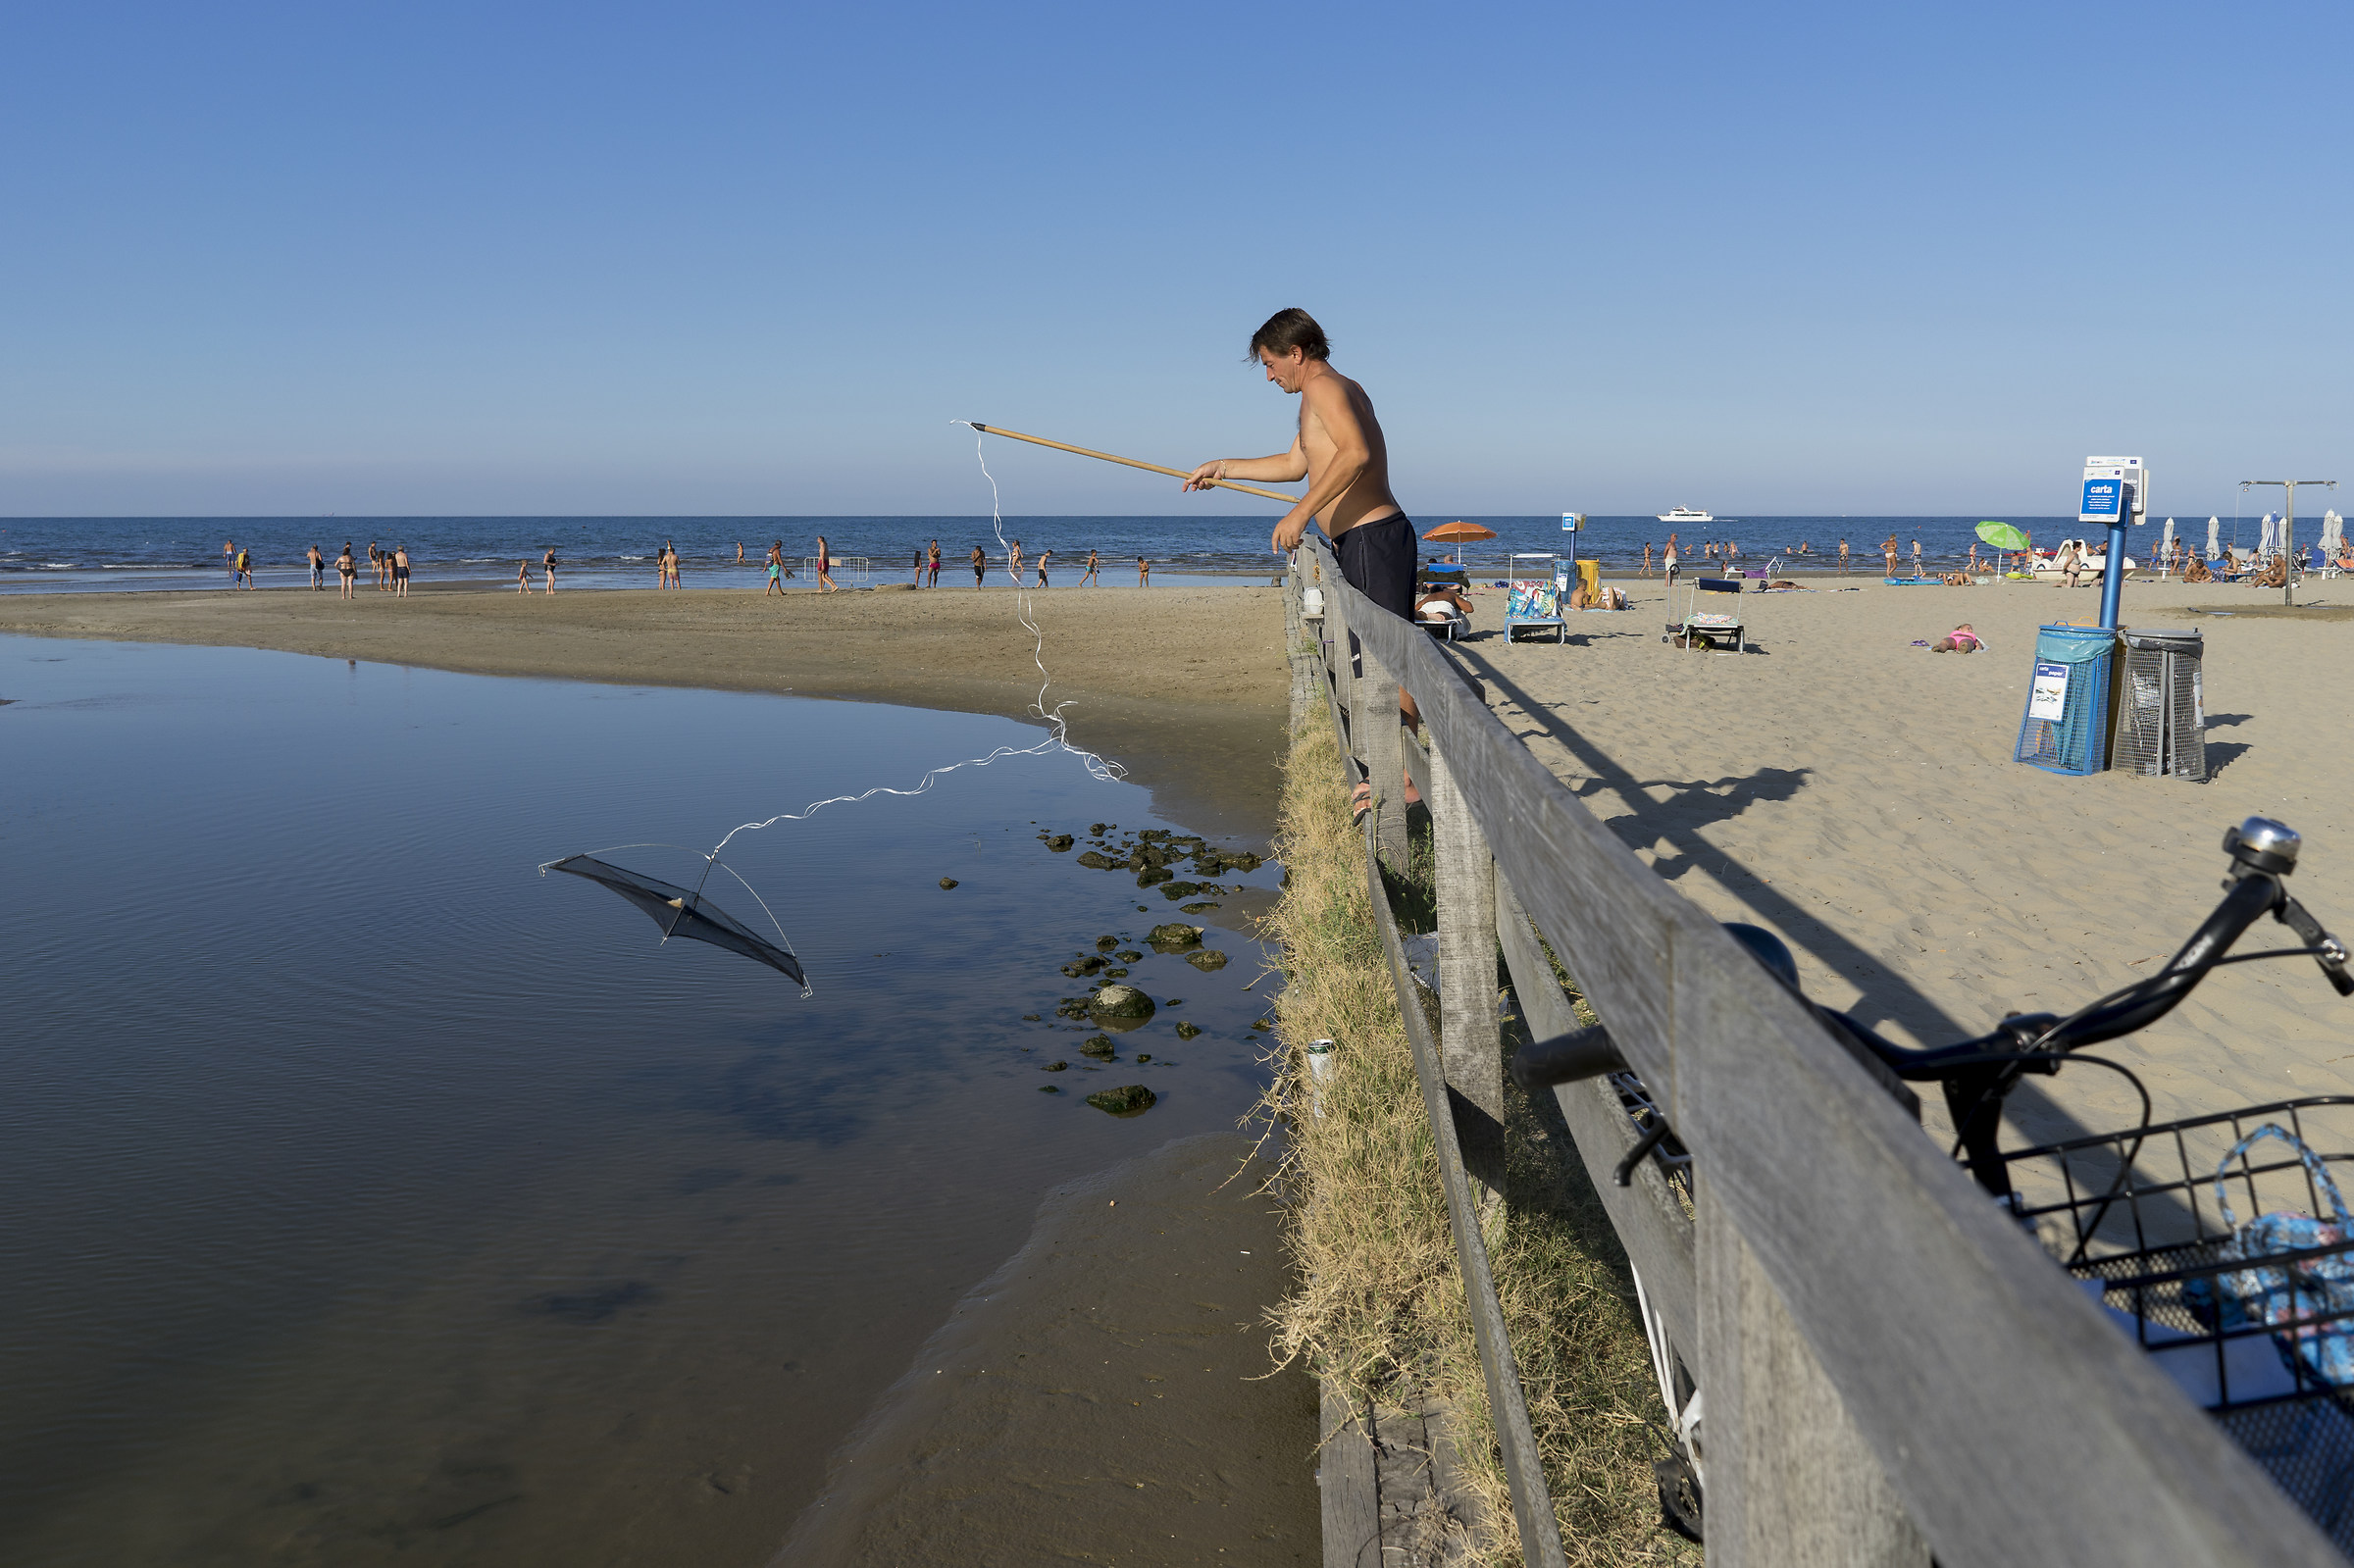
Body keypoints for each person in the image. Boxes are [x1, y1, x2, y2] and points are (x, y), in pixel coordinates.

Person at [1183, 308, 1420, 819]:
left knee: (1388, 659)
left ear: (1296, 352)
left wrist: (1301, 513)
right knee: (1370, 660)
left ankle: (1401, 779)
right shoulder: (1329, 390)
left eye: (1270, 364)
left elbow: (1355, 454)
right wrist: (1221, 468)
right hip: (1362, 540)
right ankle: (1386, 771)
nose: (1269, 376)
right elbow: (1297, 465)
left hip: (1373, 537)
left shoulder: (1326, 389)